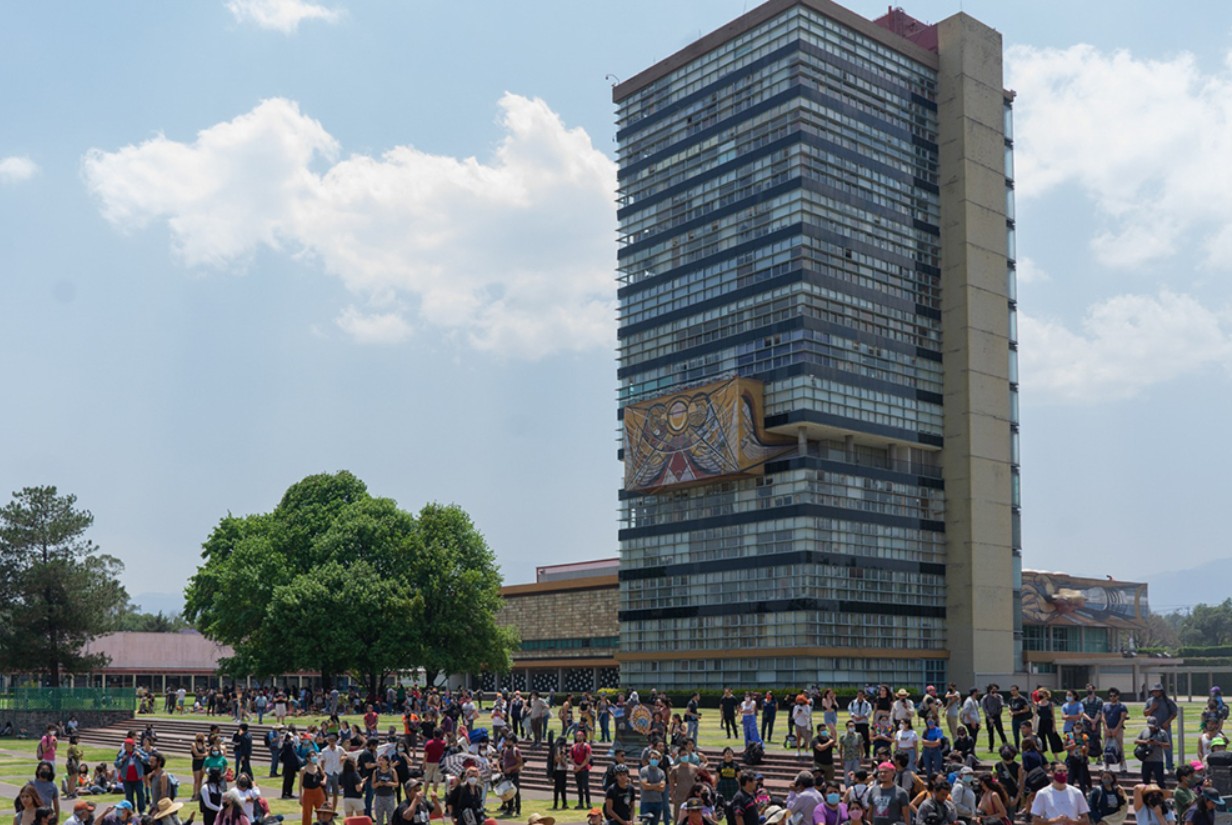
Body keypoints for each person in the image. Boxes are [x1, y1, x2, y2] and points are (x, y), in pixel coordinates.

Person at [1144, 686, 1178, 775]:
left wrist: (1168, 722)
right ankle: (1153, 767)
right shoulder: (1150, 701)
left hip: (1165, 727)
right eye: (1153, 691)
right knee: (1152, 747)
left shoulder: (1167, 701)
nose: (1155, 693)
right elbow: (1145, 713)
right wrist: (1152, 708)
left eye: (1157, 691)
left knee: (1168, 747)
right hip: (1153, 728)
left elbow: (1174, 713)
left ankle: (1169, 766)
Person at [1135, 719, 1169, 787]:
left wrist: (1157, 743)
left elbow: (1168, 745)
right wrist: (1146, 742)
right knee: (1145, 781)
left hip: (1158, 760)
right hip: (1146, 760)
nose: (1151, 728)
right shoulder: (1144, 731)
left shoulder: (1162, 733)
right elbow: (1136, 741)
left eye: (1152, 726)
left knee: (1160, 780)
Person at [1099, 691, 1128, 773]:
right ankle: (1106, 765)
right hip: (1107, 729)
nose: (1112, 697)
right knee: (1105, 747)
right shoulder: (1105, 706)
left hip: (1118, 729)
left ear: (1117, 696)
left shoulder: (1122, 706)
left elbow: (1122, 718)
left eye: (1114, 696)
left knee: (1119, 747)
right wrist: (1106, 728)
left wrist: (1116, 729)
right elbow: (1103, 718)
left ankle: (1122, 765)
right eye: (1110, 696)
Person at [639, 750, 668, 825]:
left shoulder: (661, 772)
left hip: (658, 802)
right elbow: (645, 786)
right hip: (646, 801)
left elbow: (662, 788)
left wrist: (650, 785)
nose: (654, 760)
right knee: (645, 822)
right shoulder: (643, 770)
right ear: (649, 759)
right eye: (653, 758)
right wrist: (657, 785)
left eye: (657, 758)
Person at [368, 755, 398, 825]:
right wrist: (378, 783)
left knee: (390, 818)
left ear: (387, 761)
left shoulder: (392, 771)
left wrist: (388, 783)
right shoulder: (376, 772)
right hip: (379, 797)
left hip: (389, 797)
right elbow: (373, 785)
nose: (381, 762)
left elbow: (396, 783)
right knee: (379, 818)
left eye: (382, 760)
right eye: (379, 760)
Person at [498, 736, 522, 816]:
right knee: (508, 792)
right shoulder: (504, 750)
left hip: (514, 773)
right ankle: (510, 808)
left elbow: (520, 762)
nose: (507, 742)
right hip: (506, 773)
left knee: (516, 792)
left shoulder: (516, 750)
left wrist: (511, 768)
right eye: (507, 741)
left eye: (509, 741)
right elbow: (501, 760)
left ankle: (518, 810)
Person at [571, 731, 593, 810]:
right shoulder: (573, 747)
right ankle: (580, 802)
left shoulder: (586, 746)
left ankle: (588, 802)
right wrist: (576, 766)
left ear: (583, 737)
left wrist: (579, 767)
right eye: (577, 736)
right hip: (577, 768)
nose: (579, 737)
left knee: (586, 786)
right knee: (579, 786)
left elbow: (587, 759)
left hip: (584, 768)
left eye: (580, 736)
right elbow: (571, 758)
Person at [984, 685, 1009, 751]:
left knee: (1001, 731)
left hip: (997, 716)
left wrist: (996, 698)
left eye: (996, 689)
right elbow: (985, 708)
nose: (994, 691)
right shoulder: (986, 697)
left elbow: (1002, 705)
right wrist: (989, 718)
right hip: (989, 717)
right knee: (990, 733)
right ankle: (991, 748)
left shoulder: (999, 697)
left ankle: (1006, 746)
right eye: (993, 689)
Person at [849, 693, 873, 758]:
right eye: (858, 695)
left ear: (863, 696)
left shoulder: (867, 704)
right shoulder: (852, 703)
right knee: (853, 739)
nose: (860, 696)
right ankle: (854, 753)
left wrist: (862, 717)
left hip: (863, 723)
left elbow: (869, 712)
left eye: (861, 695)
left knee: (865, 739)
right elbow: (850, 711)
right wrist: (854, 716)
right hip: (855, 723)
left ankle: (867, 753)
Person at [551, 737, 570, 810]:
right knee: (557, 788)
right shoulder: (558, 749)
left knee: (563, 788)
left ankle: (564, 803)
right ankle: (556, 804)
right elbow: (557, 759)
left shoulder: (562, 749)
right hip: (558, 770)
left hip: (563, 770)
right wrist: (562, 755)